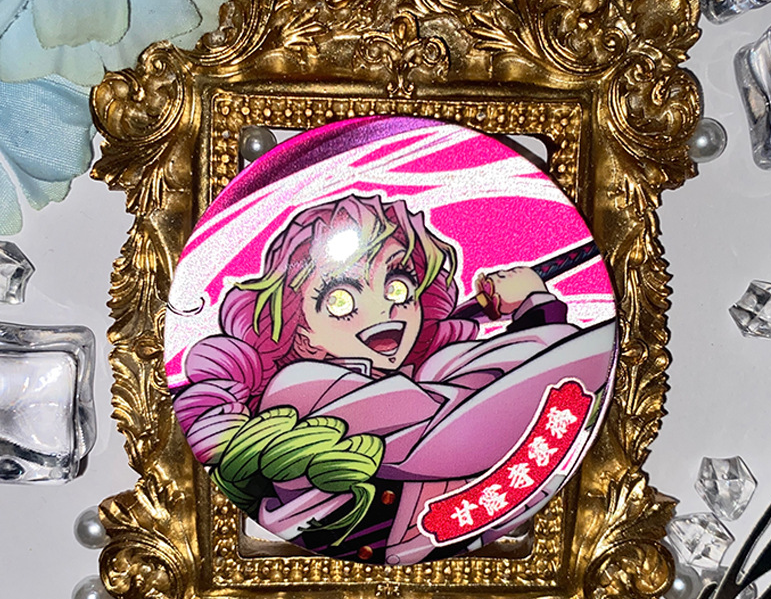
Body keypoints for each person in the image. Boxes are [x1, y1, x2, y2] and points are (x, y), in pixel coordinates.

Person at [172, 193, 615, 564]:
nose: (385, 309)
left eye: (398, 286)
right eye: (341, 298)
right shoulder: (303, 384)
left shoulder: (436, 371)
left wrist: (533, 314)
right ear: (300, 329)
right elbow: (467, 428)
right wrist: (535, 307)